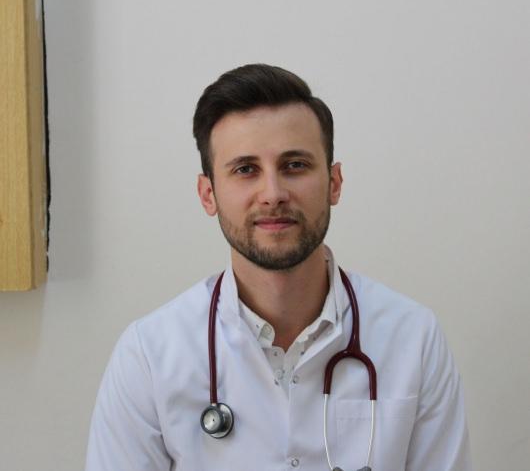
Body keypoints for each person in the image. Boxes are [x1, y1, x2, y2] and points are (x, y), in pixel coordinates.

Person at [85, 64, 471, 471]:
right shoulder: (149, 354)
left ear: (334, 183)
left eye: (295, 165)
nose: (272, 194)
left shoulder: (413, 338)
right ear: (208, 193)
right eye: (245, 170)